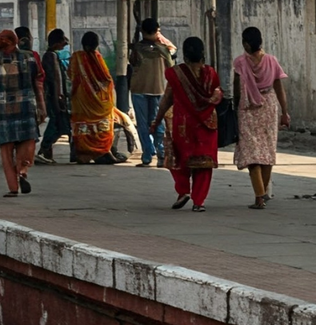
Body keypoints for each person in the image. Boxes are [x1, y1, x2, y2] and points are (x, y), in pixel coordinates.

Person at [153, 37, 223, 212]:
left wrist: (157, 119)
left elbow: (167, 98)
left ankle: (183, 190)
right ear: (202, 54)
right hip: (207, 124)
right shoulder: (211, 73)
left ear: (184, 54)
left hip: (183, 124)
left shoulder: (176, 74)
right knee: (204, 163)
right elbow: (217, 95)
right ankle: (199, 201)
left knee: (178, 159)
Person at [0, 30, 46, 197]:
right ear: (15, 41)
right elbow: (38, 83)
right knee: (28, 143)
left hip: (4, 112)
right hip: (26, 109)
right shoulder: (31, 58)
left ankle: (13, 187)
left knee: (6, 153)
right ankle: (22, 170)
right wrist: (42, 107)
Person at [232, 27, 290, 210]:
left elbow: (236, 89)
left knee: (251, 155)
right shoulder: (272, 61)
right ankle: (263, 192)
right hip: (269, 107)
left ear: (247, 44)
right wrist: (284, 112)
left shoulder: (240, 63)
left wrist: (235, 108)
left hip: (248, 108)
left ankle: (259, 196)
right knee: (266, 152)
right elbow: (279, 88)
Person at [70, 32, 122, 164]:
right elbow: (107, 79)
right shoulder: (98, 58)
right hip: (99, 101)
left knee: (83, 127)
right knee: (102, 125)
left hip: (82, 99)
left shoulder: (76, 57)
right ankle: (102, 152)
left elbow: (71, 75)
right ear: (96, 45)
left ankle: (83, 155)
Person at [130, 18, 174, 168]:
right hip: (158, 89)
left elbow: (132, 62)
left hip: (139, 89)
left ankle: (147, 155)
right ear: (157, 30)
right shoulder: (164, 48)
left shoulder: (137, 47)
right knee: (158, 123)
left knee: (143, 125)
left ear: (142, 31)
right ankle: (161, 154)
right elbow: (171, 66)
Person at [38, 29, 72, 164]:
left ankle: (46, 152)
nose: (65, 43)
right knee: (55, 123)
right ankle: (44, 149)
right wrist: (59, 96)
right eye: (63, 40)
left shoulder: (52, 56)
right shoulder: (50, 56)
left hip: (56, 95)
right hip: (54, 96)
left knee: (61, 125)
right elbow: (55, 79)